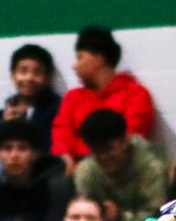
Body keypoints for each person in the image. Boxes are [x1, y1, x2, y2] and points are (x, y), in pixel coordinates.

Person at [52, 25, 158, 163]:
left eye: (80, 57)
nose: (74, 65)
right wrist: (66, 157)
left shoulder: (135, 95)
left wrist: (88, 160)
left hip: (120, 167)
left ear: (98, 59)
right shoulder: (73, 97)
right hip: (76, 167)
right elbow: (61, 133)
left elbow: (131, 140)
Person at [72, 109, 169, 221]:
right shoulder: (86, 170)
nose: (103, 157)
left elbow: (156, 218)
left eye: (108, 149)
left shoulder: (152, 168)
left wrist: (120, 217)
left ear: (125, 141)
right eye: (96, 150)